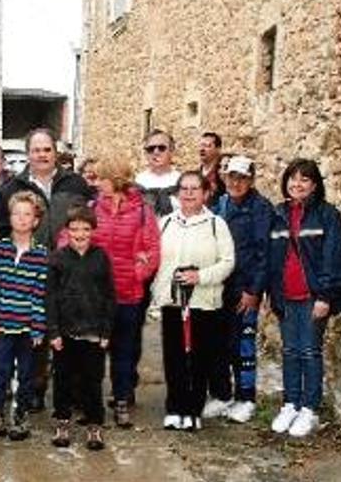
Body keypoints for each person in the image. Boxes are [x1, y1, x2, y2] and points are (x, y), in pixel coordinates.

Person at [0, 128, 91, 411]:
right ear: (28, 154)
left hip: (69, 269)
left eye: (47, 149)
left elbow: (90, 222)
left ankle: (71, 390)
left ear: (55, 152)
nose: (42, 155)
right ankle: (35, 387)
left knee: (70, 330)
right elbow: (0, 230)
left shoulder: (76, 184)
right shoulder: (12, 188)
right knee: (34, 330)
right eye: (36, 150)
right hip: (29, 271)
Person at [57, 158, 160, 427]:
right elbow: (67, 238)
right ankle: (88, 401)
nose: (96, 181)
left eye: (101, 177)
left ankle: (122, 399)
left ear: (115, 179)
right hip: (95, 295)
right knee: (90, 352)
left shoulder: (142, 212)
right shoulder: (92, 208)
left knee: (124, 351)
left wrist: (138, 274)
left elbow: (153, 249)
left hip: (127, 293)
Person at [267, 159, 341, 437]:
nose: (297, 184)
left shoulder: (327, 215)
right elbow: (272, 258)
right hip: (285, 297)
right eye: (293, 178)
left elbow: (335, 258)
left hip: (313, 297)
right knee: (290, 351)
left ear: (314, 184)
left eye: (304, 179)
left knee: (310, 351)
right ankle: (291, 403)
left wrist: (326, 296)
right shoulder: (278, 213)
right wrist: (271, 293)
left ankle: (310, 409)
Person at [152, 171, 234, 432]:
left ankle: (193, 409)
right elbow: (155, 261)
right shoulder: (165, 223)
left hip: (203, 302)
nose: (188, 193)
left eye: (194, 189)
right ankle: (175, 407)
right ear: (177, 193)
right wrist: (158, 291)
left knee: (200, 359)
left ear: (205, 193)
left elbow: (228, 262)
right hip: (172, 302)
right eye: (184, 189)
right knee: (174, 357)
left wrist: (201, 276)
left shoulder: (215, 224)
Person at [203, 155, 272, 423]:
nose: (236, 182)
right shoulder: (219, 204)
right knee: (219, 345)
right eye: (232, 176)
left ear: (251, 180)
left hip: (244, 289)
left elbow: (263, 253)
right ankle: (222, 395)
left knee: (243, 346)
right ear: (224, 177)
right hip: (219, 288)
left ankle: (247, 398)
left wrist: (254, 291)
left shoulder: (261, 208)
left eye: (242, 177)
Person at [0, 191, 49, 442]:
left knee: (26, 374)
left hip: (27, 328)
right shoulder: (0, 249)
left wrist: (38, 326)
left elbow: (40, 293)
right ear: (10, 217)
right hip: (3, 326)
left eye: (27, 214)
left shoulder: (41, 254)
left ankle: (20, 414)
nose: (21, 218)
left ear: (36, 220)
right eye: (16, 213)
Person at [47, 206, 115, 451]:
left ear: (93, 231)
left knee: (92, 381)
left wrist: (106, 331)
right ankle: (62, 421)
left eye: (85, 229)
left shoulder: (101, 257)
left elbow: (109, 297)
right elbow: (50, 298)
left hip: (94, 332)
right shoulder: (57, 258)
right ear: (67, 231)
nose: (79, 234)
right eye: (74, 229)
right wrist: (53, 332)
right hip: (65, 333)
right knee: (63, 379)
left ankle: (94, 424)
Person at [135, 129, 181, 218]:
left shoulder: (181, 181)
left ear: (171, 151)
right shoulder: (139, 181)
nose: (156, 152)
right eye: (151, 149)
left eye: (161, 148)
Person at [199, 132, 225, 206]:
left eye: (207, 146)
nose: (202, 149)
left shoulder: (222, 173)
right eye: (201, 145)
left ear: (218, 149)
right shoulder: (198, 175)